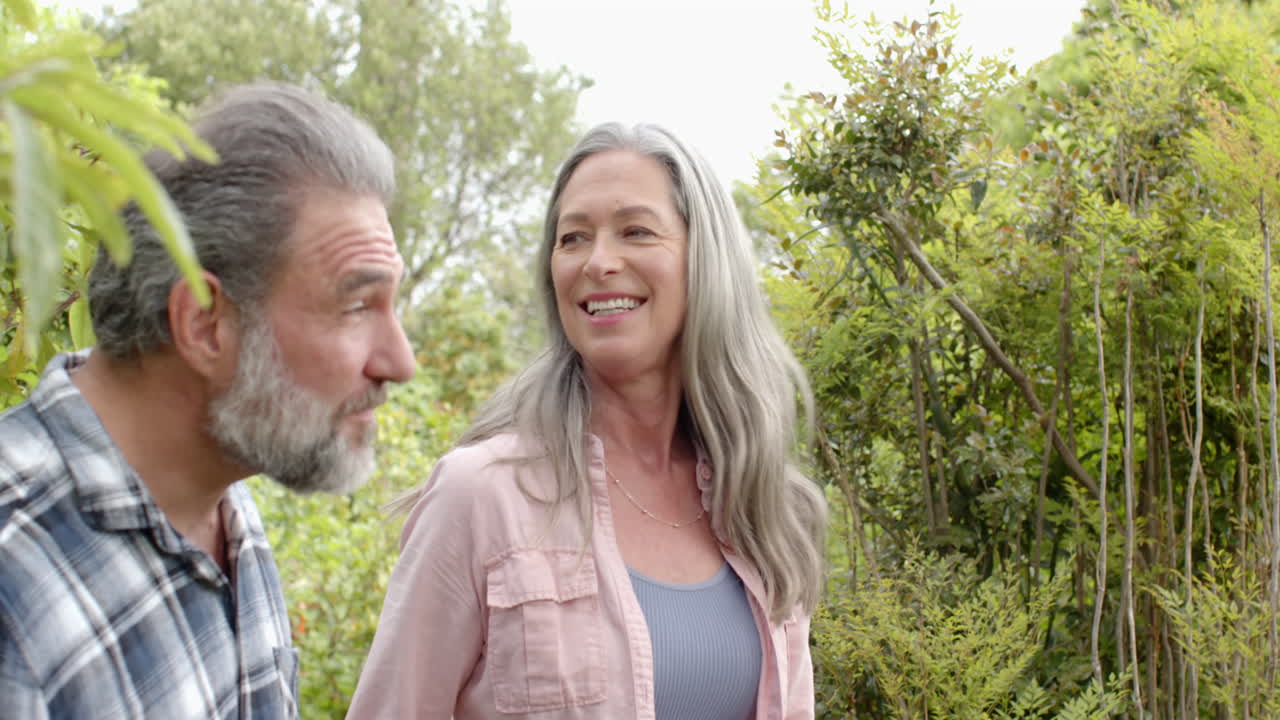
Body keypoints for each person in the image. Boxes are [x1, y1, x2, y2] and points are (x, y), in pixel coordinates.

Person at [347, 122, 827, 719]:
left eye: (636, 231)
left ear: (706, 261)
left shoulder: (760, 502)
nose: (599, 262)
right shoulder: (482, 495)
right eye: (573, 237)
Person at [0, 82, 416, 719]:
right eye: (357, 305)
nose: (400, 363)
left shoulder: (223, 498)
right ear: (203, 324)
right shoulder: (15, 585)